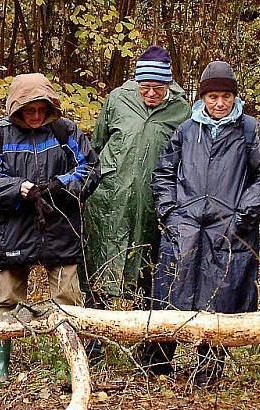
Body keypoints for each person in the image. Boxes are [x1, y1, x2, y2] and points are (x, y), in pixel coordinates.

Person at [150, 61, 260, 385]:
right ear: (202, 98)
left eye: (226, 96)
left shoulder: (250, 130)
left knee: (219, 298)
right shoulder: (187, 129)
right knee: (171, 292)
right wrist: (170, 213)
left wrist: (243, 216)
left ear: (235, 96)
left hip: (230, 227)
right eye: (213, 97)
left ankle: (208, 370)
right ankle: (159, 366)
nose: (220, 103)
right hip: (186, 226)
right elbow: (164, 172)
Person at [0, 73, 101, 379]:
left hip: (60, 225)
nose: (36, 115)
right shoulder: (0, 136)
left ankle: (74, 366)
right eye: (30, 110)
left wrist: (61, 184)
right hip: (14, 227)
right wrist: (18, 188)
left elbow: (91, 168)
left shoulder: (64, 131)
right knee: (7, 300)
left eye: (41, 109)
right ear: (17, 109)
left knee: (68, 299)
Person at [82, 45, 190, 362]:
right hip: (109, 199)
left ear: (169, 86)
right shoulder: (118, 99)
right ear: (136, 83)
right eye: (146, 88)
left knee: (149, 271)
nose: (152, 94)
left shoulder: (182, 110)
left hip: (153, 203)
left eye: (158, 88)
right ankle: (93, 343)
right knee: (100, 267)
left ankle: (150, 346)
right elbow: (97, 144)